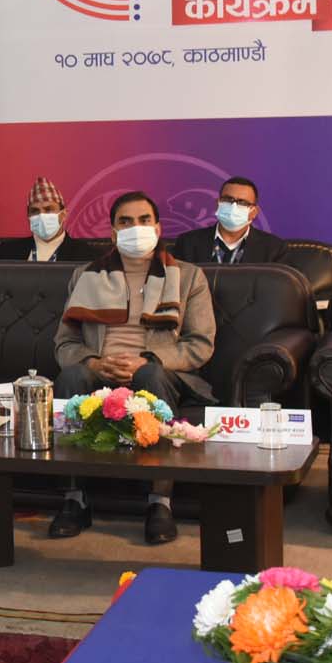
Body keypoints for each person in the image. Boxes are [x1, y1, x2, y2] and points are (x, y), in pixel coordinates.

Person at [50, 190, 216, 544]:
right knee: (72, 375)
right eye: (125, 222)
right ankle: (74, 500)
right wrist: (94, 362)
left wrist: (149, 360)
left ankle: (160, 502)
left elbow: (200, 344)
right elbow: (64, 344)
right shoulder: (85, 276)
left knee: (148, 374)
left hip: (160, 371)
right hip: (100, 370)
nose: (135, 228)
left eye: (144, 220)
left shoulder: (189, 277)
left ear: (158, 228)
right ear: (113, 232)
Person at [170, 176, 287, 265]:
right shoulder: (188, 243)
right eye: (228, 199)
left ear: (254, 212)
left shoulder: (274, 249)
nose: (233, 207)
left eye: (242, 202)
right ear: (218, 204)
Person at [0, 176, 94, 261]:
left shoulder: (86, 254)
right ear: (28, 216)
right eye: (35, 211)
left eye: (49, 209)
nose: (41, 215)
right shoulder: (8, 251)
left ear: (63, 215)